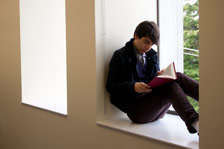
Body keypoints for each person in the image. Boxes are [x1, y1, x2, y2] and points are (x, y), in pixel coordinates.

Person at [106, 21, 199, 134]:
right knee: (171, 86)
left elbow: (152, 83)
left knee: (176, 76)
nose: (149, 47)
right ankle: (196, 123)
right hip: (136, 110)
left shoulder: (152, 55)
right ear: (136, 36)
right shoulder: (120, 55)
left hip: (154, 107)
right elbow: (110, 86)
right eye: (146, 42)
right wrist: (133, 87)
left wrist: (160, 76)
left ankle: (213, 102)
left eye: (152, 44)